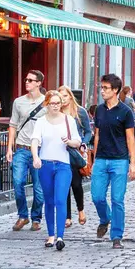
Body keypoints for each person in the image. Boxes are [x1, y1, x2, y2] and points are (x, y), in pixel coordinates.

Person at [89, 73, 135, 249]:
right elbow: (97, 135)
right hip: (101, 159)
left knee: (117, 199)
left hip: (119, 160)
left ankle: (116, 236)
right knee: (97, 197)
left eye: (105, 88)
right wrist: (94, 159)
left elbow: (130, 138)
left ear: (115, 90)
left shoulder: (126, 112)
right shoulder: (99, 110)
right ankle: (105, 218)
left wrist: (133, 163)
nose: (102, 91)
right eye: (101, 88)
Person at [30, 90, 82, 251]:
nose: (55, 106)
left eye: (57, 103)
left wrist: (70, 141)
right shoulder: (41, 122)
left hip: (63, 165)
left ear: (62, 104)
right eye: (52, 103)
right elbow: (35, 140)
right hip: (45, 164)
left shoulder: (69, 120)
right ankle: (51, 235)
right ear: (46, 104)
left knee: (60, 199)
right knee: (49, 200)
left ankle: (60, 236)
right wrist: (35, 157)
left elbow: (78, 141)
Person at [7, 70, 48, 232]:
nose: (27, 82)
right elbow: (13, 125)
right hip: (22, 148)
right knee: (18, 182)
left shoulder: (47, 102)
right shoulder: (18, 102)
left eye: (30, 80)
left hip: (40, 150)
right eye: (26, 79)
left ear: (39, 83)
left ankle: (36, 218)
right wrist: (9, 148)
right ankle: (23, 215)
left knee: (39, 188)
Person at [56, 87, 92, 227]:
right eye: (60, 96)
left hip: (75, 152)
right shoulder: (56, 113)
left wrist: (83, 143)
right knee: (64, 185)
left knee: (76, 184)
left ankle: (81, 210)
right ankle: (67, 217)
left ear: (70, 97)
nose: (63, 99)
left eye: (65, 96)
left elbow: (88, 131)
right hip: (60, 152)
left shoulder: (80, 112)